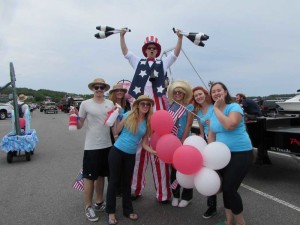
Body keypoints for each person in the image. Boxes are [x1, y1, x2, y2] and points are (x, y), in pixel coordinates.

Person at [120, 29, 183, 203]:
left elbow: (176, 55)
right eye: (149, 47)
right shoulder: (137, 62)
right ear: (145, 50)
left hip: (159, 116)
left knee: (160, 154)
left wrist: (179, 39)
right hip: (141, 114)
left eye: (154, 48)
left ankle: (163, 194)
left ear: (157, 50)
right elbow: (126, 53)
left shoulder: (162, 63)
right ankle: (135, 189)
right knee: (138, 152)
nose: (152, 50)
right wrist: (121, 36)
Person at [106, 95, 156, 225]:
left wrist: (155, 151)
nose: (145, 106)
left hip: (130, 155)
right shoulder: (128, 114)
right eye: (143, 104)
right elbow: (116, 130)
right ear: (138, 105)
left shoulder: (148, 122)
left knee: (127, 183)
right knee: (114, 182)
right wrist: (115, 118)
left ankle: (127, 210)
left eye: (148, 104)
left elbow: (144, 143)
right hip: (117, 152)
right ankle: (111, 212)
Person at [208, 82, 253, 225]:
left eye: (218, 90)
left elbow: (229, 124)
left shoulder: (234, 107)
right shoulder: (213, 112)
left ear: (225, 92)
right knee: (226, 189)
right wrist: (210, 154)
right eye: (213, 91)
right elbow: (211, 134)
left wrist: (216, 109)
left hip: (240, 153)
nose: (216, 93)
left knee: (229, 188)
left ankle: (241, 223)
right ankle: (228, 221)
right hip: (222, 156)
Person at [72, 78, 114, 222]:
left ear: (105, 89)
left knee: (102, 175)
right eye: (96, 87)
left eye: (102, 87)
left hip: (107, 145)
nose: (99, 89)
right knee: (90, 177)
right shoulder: (85, 104)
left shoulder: (110, 103)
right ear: (92, 89)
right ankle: (88, 206)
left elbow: (113, 123)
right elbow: (79, 125)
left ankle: (99, 202)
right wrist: (73, 116)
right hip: (91, 146)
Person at [191, 86, 217, 219]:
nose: (198, 97)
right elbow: (201, 132)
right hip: (208, 144)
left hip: (219, 143)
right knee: (210, 174)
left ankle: (230, 205)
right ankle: (212, 206)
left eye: (200, 94)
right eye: (196, 96)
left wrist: (212, 123)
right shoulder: (198, 112)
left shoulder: (214, 107)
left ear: (205, 94)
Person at [167, 80, 194, 207]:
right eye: (175, 92)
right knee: (174, 169)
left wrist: (182, 141)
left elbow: (188, 125)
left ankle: (187, 196)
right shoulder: (170, 106)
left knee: (186, 169)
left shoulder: (189, 107)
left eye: (180, 92)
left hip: (184, 140)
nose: (177, 94)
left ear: (184, 94)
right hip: (172, 141)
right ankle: (176, 195)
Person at [108, 83, 132, 197]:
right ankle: (115, 188)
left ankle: (122, 187)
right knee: (113, 163)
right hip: (111, 135)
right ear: (113, 92)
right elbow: (111, 121)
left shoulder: (127, 104)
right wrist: (115, 136)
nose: (119, 92)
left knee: (122, 163)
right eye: (117, 90)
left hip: (124, 135)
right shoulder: (110, 104)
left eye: (121, 91)